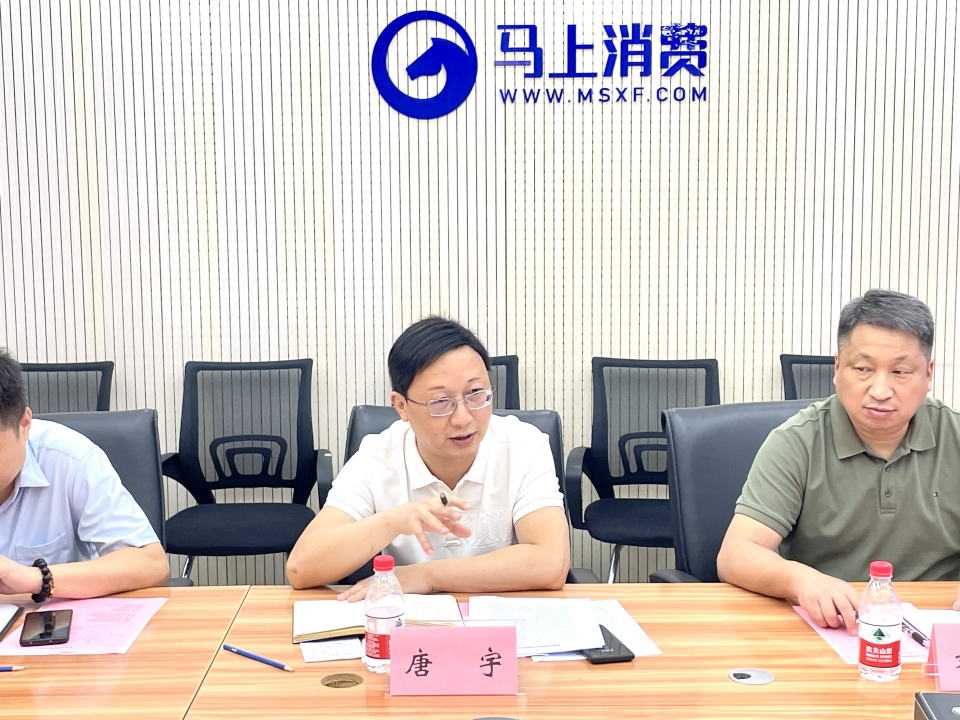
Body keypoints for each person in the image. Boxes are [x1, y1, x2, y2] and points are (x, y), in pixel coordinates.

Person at [717, 289, 960, 633]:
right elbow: (736, 554)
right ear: (837, 368)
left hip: (940, 629)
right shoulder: (798, 440)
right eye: (863, 369)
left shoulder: (955, 436)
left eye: (900, 371)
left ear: (928, 374)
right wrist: (803, 581)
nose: (880, 390)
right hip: (829, 625)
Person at [287, 317, 570, 599]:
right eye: (440, 402)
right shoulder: (377, 457)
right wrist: (393, 521)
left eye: (475, 393)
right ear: (401, 406)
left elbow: (551, 563)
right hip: (409, 618)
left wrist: (426, 576)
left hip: (501, 615)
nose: (463, 418)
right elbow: (301, 568)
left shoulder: (524, 446)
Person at [0, 350, 170, 600]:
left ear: (23, 425)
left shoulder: (70, 459)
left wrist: (36, 578)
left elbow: (151, 564)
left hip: (50, 618)